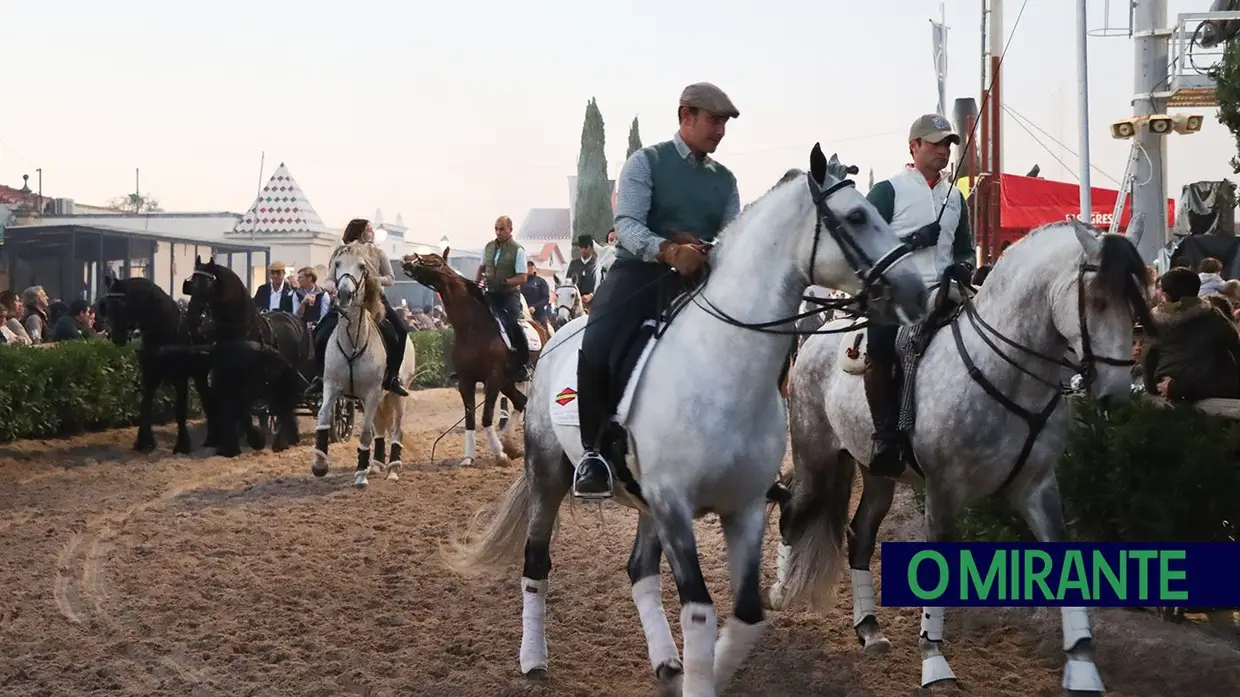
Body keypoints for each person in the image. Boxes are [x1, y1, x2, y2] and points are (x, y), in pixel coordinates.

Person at [572, 81, 742, 499]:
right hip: (640, 274)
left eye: (725, 123)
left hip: (701, 279)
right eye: (714, 121)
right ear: (686, 116)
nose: (721, 131)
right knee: (598, 341)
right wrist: (667, 250)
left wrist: (710, 250)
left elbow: (733, 235)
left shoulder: (726, 180)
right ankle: (595, 453)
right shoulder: (645, 162)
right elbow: (627, 224)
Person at [860, 114, 975, 479]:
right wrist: (910, 242)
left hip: (947, 292)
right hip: (896, 293)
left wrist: (965, 266)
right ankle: (886, 435)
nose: (944, 151)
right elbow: (862, 245)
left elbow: (965, 248)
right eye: (936, 143)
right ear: (914, 146)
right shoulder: (888, 190)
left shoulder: (955, 197)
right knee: (880, 346)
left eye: (948, 145)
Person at [304, 218, 410, 397]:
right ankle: (320, 376)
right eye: (369, 229)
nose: (372, 232)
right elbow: (329, 279)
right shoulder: (341, 253)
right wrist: (332, 287)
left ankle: (392, 377)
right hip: (346, 300)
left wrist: (373, 280)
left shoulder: (378, 253)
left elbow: (390, 278)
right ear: (360, 232)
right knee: (320, 331)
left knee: (400, 331)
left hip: (375, 300)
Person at [1144, 266, 1240, 401]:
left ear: (1166, 295)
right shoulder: (1212, 315)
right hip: (1207, 387)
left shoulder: (1154, 321)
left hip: (1164, 385)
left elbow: (1148, 357)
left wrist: (1153, 387)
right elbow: (1235, 344)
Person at [477, 215, 533, 381]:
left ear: (510, 230)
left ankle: (524, 363)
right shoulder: (488, 247)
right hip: (490, 294)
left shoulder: (518, 250)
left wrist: (506, 282)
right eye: (496, 228)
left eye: (502, 229)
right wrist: (476, 285)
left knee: (514, 323)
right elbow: (481, 268)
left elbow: (522, 277)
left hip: (509, 295)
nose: (498, 232)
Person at [564, 235, 600, 302]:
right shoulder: (573, 264)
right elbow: (568, 283)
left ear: (591, 247)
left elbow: (600, 284)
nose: (583, 250)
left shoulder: (597, 264)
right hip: (575, 302)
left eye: (586, 247)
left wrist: (591, 295)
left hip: (593, 302)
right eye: (581, 247)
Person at [520, 261, 552, 327]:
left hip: (538, 313)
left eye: (531, 266)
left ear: (534, 268)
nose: (529, 268)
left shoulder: (541, 281)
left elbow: (546, 298)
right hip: (523, 312)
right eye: (528, 267)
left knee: (544, 329)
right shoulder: (520, 281)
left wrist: (534, 307)